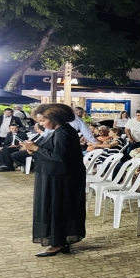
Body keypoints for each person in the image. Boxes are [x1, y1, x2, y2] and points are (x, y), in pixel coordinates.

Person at [21, 103, 86, 257]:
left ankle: (57, 242)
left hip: (60, 179)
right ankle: (59, 240)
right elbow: (51, 151)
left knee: (56, 209)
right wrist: (34, 150)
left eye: (43, 121)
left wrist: (36, 149)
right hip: (53, 176)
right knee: (56, 208)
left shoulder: (63, 133)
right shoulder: (57, 131)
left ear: (55, 119)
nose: (40, 124)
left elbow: (60, 157)